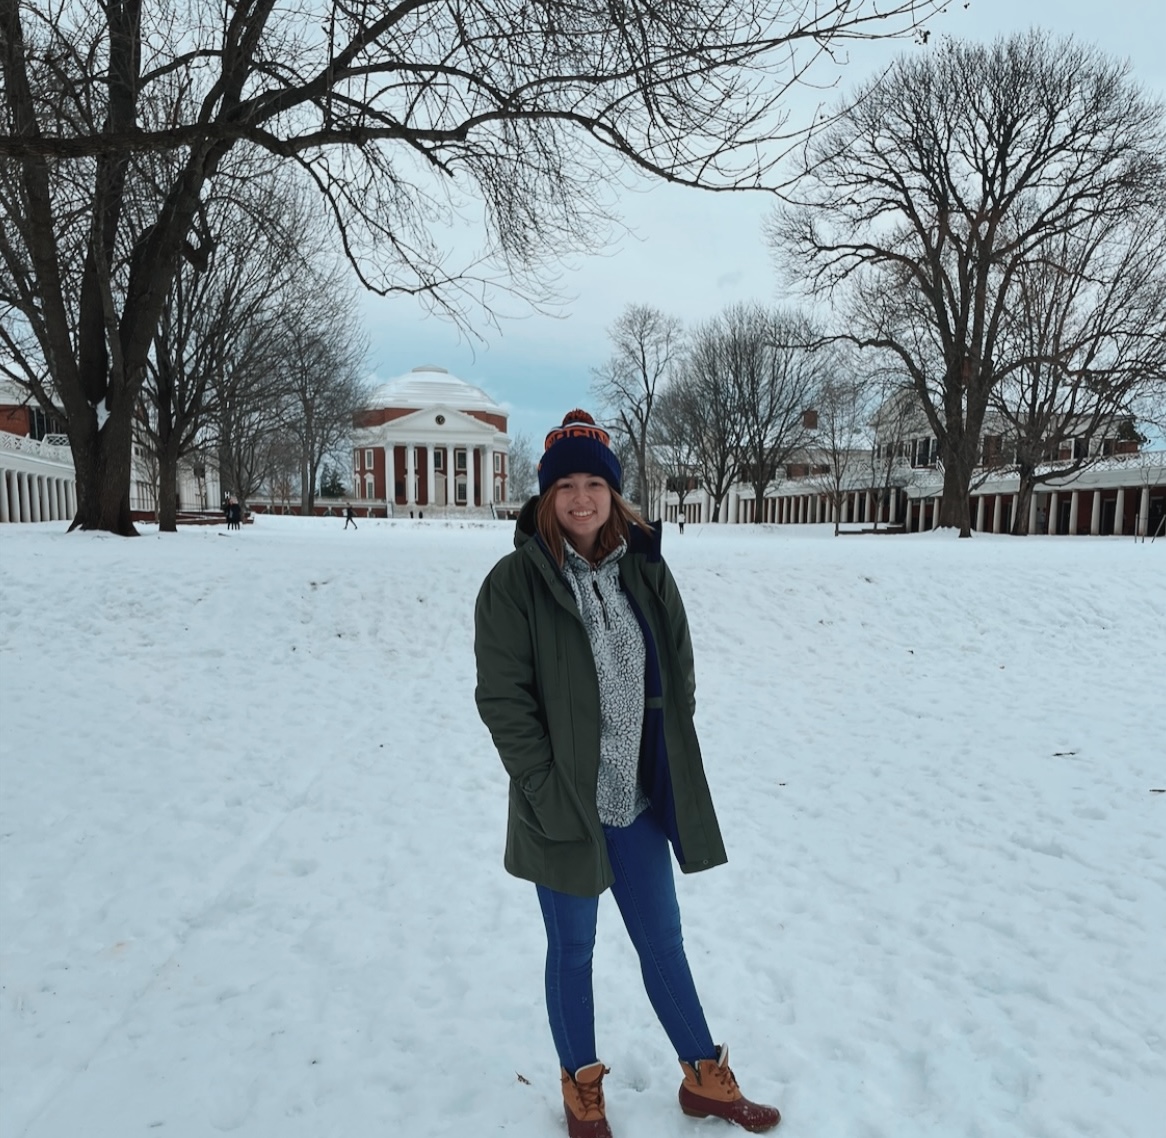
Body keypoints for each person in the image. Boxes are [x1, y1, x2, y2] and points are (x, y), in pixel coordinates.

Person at [474, 410, 780, 1138]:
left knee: (662, 942)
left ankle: (705, 1077)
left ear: (614, 493)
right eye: (566, 486)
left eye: (594, 484)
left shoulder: (644, 567)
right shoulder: (514, 584)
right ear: (545, 497)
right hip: (564, 808)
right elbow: (503, 702)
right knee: (572, 949)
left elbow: (679, 668)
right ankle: (583, 1090)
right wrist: (547, 795)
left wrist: (668, 748)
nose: (581, 498)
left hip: (637, 800)